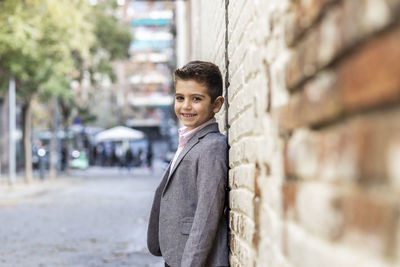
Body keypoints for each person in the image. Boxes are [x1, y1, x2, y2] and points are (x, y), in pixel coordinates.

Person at [147, 61, 229, 267]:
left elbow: (206, 216)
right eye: (180, 98)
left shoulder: (212, 146)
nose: (186, 106)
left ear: (216, 104)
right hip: (176, 255)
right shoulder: (189, 139)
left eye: (196, 99)